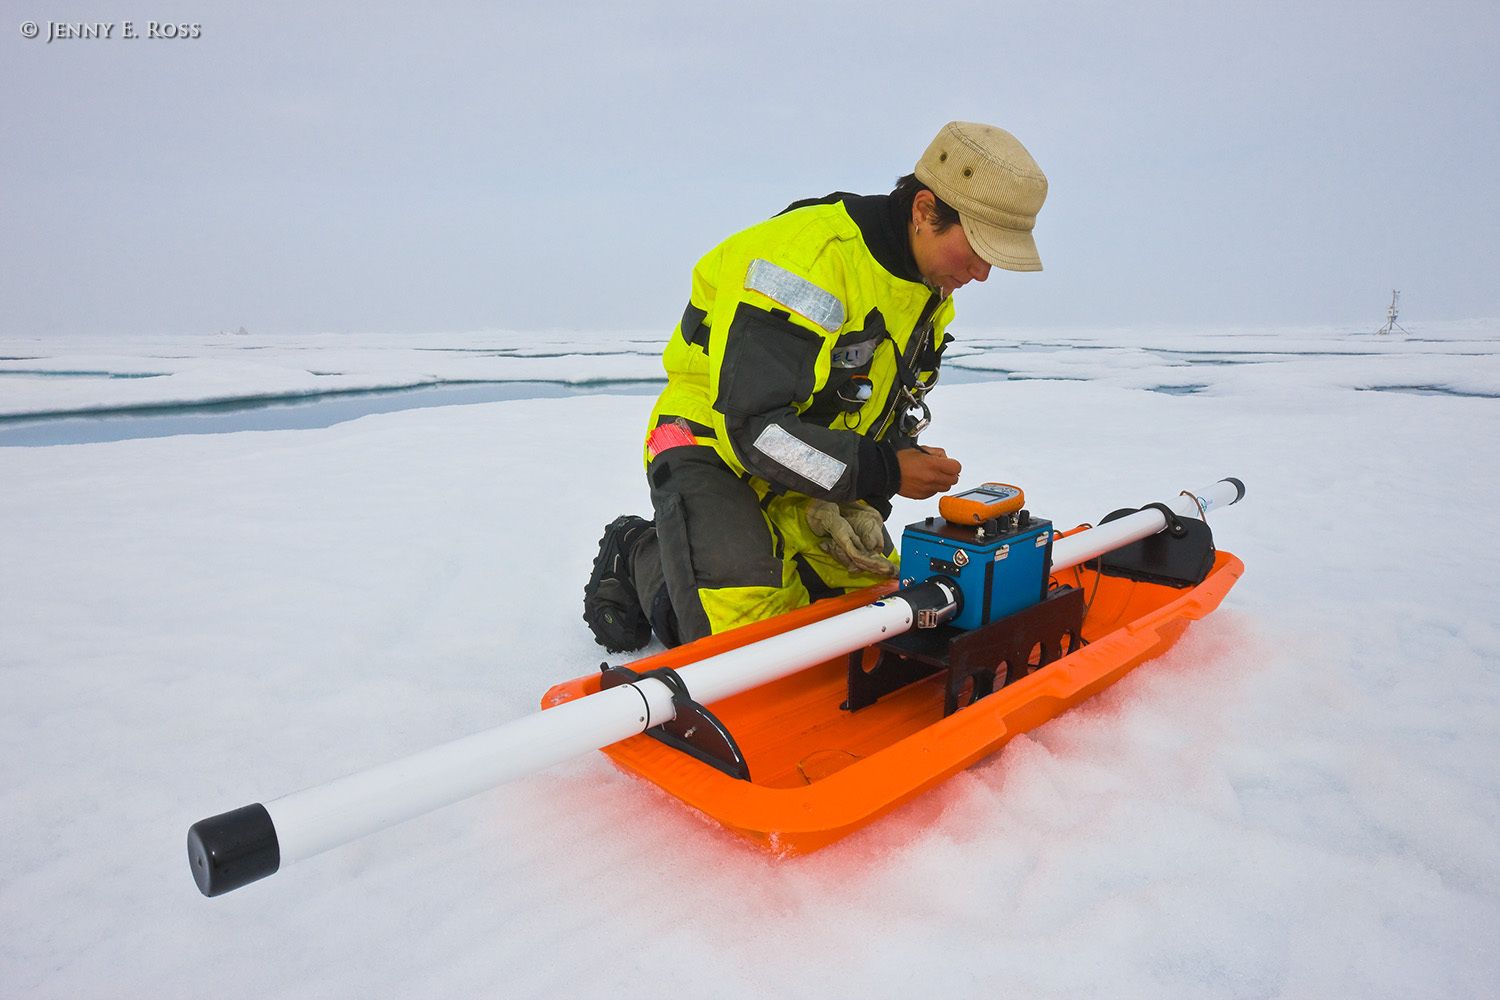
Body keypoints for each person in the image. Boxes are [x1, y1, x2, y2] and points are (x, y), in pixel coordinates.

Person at [584, 121, 1048, 653]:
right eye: (979, 249)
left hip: (805, 455)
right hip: (709, 442)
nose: (984, 273)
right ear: (924, 211)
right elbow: (755, 430)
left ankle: (755, 544)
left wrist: (879, 478)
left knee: (861, 612)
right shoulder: (804, 262)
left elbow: (878, 399)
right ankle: (641, 548)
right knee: (743, 647)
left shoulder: (927, 287)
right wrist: (886, 470)